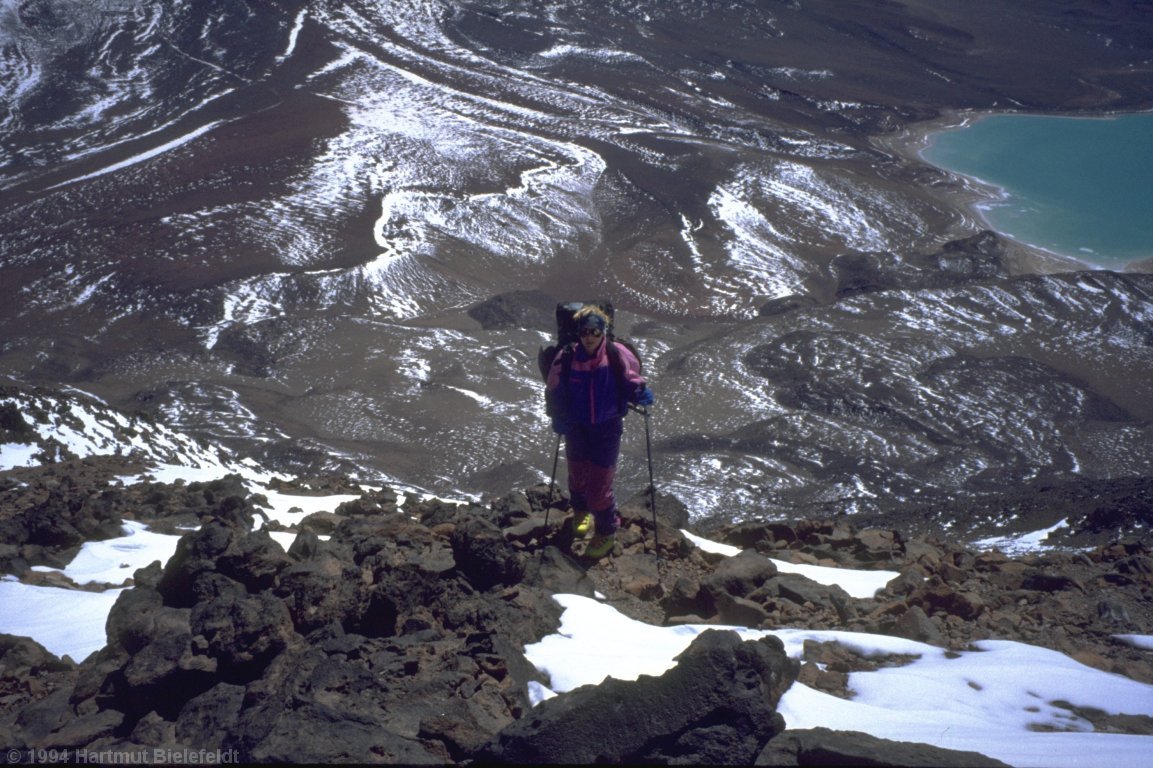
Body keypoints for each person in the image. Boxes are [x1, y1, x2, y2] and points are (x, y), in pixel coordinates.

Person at [545, 305, 654, 559]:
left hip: (607, 429)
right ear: (579, 333)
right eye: (585, 332)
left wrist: (640, 392)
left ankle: (606, 531)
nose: (589, 337)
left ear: (603, 331)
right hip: (576, 428)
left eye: (595, 331)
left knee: (599, 488)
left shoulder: (616, 355)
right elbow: (554, 390)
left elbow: (631, 379)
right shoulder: (567, 357)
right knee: (577, 477)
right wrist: (557, 416)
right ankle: (580, 512)